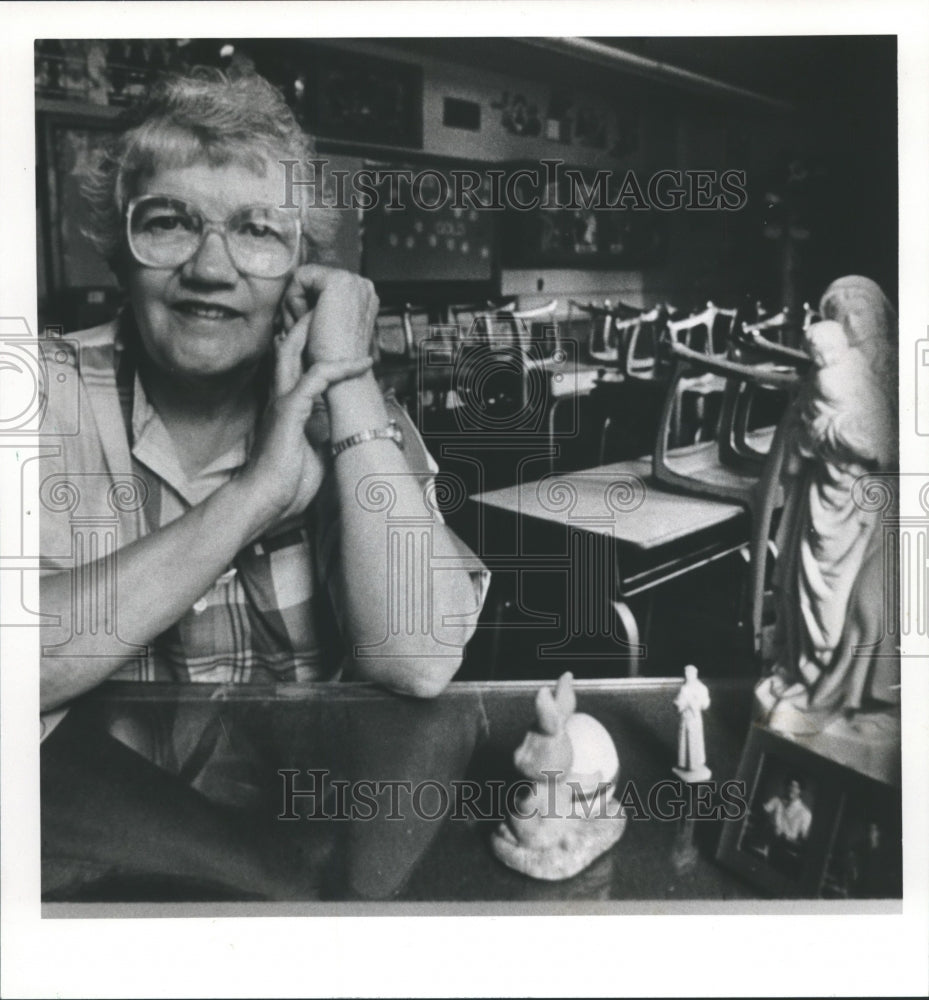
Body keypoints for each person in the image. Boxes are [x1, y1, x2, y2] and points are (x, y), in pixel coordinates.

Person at [39, 67, 489, 719]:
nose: (211, 269)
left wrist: (349, 376)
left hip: (305, 807)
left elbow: (417, 659)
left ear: (302, 266)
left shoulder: (356, 418)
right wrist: (257, 494)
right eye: (169, 221)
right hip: (90, 817)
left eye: (256, 231)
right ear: (119, 249)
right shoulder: (35, 396)